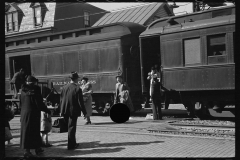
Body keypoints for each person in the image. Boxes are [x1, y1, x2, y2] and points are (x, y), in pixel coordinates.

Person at [20, 76, 51, 157]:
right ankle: (27, 151)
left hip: (24, 113)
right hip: (33, 114)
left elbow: (21, 102)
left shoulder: (23, 90)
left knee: (27, 132)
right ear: (34, 82)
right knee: (34, 131)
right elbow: (39, 103)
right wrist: (47, 110)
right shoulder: (36, 89)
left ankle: (37, 148)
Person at [59, 71, 87, 150]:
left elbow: (61, 100)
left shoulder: (64, 87)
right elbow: (80, 102)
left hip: (65, 110)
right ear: (76, 79)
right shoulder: (77, 88)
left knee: (69, 127)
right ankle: (71, 145)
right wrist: (85, 113)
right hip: (73, 111)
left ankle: (73, 143)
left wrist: (61, 110)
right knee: (72, 127)